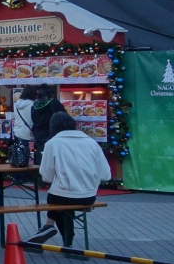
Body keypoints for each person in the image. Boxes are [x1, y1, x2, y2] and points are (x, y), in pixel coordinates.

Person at [29, 112, 111, 249]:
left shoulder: (52, 143)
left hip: (60, 196)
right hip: (88, 196)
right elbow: (106, 175)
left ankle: (50, 227)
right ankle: (64, 240)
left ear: (53, 127)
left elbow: (47, 177)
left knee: (59, 198)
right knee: (64, 203)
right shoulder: (92, 143)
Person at [30, 85, 66, 153]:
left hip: (38, 134)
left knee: (41, 154)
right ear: (51, 94)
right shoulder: (54, 103)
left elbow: (33, 119)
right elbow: (63, 116)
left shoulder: (34, 105)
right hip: (52, 133)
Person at [10, 87, 36, 167]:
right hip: (27, 132)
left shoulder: (17, 104)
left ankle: (17, 176)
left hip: (17, 131)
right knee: (25, 156)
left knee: (18, 155)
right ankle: (24, 176)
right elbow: (33, 118)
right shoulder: (32, 104)